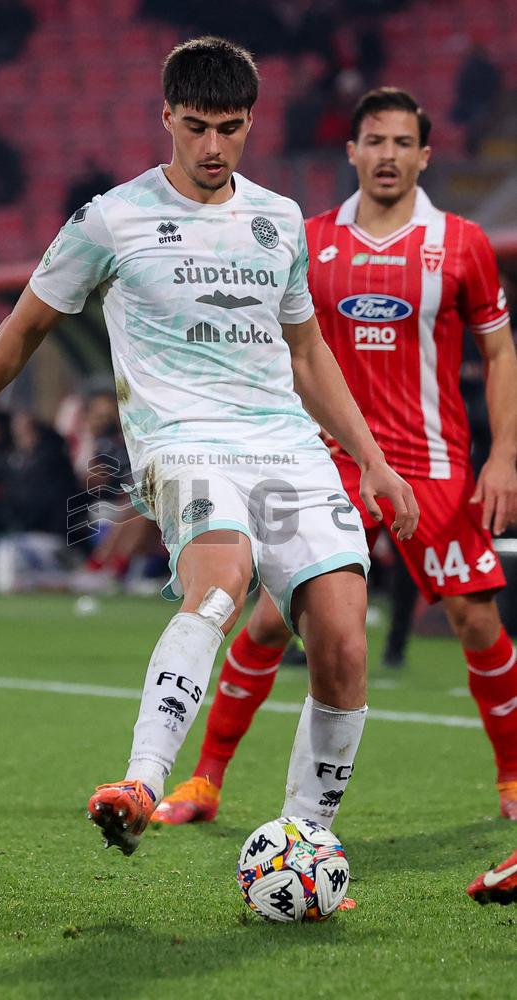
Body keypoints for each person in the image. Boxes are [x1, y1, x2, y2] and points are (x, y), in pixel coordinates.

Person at [0, 40, 417, 857]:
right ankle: (143, 780)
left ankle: (305, 844)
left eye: (230, 128)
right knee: (221, 580)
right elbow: (25, 329)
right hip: (182, 445)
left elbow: (307, 353)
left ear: (251, 121)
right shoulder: (110, 219)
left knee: (341, 638)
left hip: (286, 446)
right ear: (167, 118)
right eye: (196, 127)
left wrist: (371, 456)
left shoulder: (279, 220)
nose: (213, 147)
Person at [153, 87, 517, 827]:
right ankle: (205, 780)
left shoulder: (463, 244)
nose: (387, 155)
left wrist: (504, 454)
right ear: (350, 152)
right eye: (373, 141)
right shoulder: (304, 238)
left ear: (425, 154)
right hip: (324, 462)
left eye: (401, 142)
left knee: (476, 620)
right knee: (267, 620)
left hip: (432, 461)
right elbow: (282, 347)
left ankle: (513, 777)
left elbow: (500, 349)